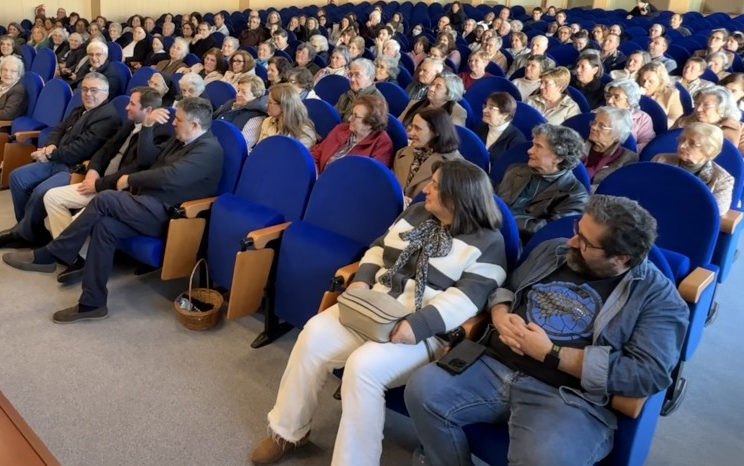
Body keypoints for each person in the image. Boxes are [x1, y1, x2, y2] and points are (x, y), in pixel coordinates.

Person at [251, 160, 507, 466]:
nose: (426, 189)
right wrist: (361, 280)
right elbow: (377, 248)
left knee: (363, 368)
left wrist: (417, 325)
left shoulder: (489, 243)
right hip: (374, 306)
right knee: (313, 335)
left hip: (422, 330)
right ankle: (287, 432)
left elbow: (467, 301)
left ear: (457, 198)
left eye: (435, 185)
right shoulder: (416, 213)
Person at [405, 195, 688, 466]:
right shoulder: (553, 250)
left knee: (544, 460)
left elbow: (649, 373)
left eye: (586, 242)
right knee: (422, 391)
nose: (572, 241)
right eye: (578, 229)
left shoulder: (659, 299)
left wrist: (551, 353)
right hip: (493, 363)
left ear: (622, 259)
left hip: (566, 395)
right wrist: (501, 315)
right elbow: (507, 289)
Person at [2, 97, 223, 322]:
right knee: (105, 227)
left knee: (105, 199)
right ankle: (92, 303)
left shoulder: (209, 150)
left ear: (195, 125)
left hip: (170, 216)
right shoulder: (181, 140)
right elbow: (147, 159)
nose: (174, 123)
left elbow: (171, 177)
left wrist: (129, 179)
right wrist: (147, 127)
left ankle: (51, 253)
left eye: (179, 119)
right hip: (146, 205)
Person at [0, 72, 121, 250]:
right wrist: (50, 145)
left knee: (41, 191)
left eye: (94, 90)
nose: (88, 94)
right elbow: (58, 129)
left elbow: (82, 149)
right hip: (58, 159)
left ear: (106, 93)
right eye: (85, 89)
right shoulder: (80, 109)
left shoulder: (108, 116)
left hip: (75, 168)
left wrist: (50, 154)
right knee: (17, 177)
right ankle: (32, 232)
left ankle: (22, 232)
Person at [40, 87, 175, 248]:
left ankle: (65, 250)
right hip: (98, 182)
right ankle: (74, 254)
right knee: (52, 197)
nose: (126, 107)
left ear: (148, 110)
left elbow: (137, 168)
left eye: (132, 104)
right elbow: (105, 148)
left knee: (76, 223)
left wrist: (98, 185)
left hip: (117, 192)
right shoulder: (131, 123)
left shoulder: (161, 134)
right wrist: (93, 171)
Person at [497, 124, 590, 241]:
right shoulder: (515, 170)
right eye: (533, 145)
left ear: (558, 157)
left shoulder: (576, 195)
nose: (529, 151)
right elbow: (493, 200)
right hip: (488, 229)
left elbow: (549, 230)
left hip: (520, 244)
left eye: (538, 146)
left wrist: (502, 219)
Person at [675, 86, 744, 185]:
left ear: (722, 109)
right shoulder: (683, 123)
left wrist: (710, 163)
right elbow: (664, 147)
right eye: (697, 104)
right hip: (676, 172)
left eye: (706, 105)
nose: (698, 109)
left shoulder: (740, 130)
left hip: (716, 183)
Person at [654, 123, 735, 216]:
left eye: (692, 143)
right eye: (682, 140)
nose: (682, 146)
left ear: (709, 150)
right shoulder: (661, 160)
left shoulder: (722, 179)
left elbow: (715, 212)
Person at [392, 107, 463, 200]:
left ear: (436, 132)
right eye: (412, 127)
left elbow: (449, 203)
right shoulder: (401, 153)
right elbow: (390, 186)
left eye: (417, 129)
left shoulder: (453, 165)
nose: (411, 133)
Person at [311, 95, 394, 173]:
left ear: (371, 123)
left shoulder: (382, 144)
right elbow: (317, 153)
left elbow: (370, 179)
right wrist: (314, 175)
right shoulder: (341, 129)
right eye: (352, 114)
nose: (349, 119)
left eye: (355, 116)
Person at [583, 107, 639, 189]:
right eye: (594, 122)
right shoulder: (577, 145)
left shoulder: (628, 159)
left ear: (616, 134)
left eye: (601, 126)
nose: (593, 127)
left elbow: (616, 187)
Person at [254, 83, 318, 149]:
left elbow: (293, 157)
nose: (266, 105)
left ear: (283, 107)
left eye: (270, 102)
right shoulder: (267, 122)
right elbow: (259, 149)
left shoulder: (304, 133)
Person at [214, 74, 269, 149]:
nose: (238, 94)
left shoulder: (256, 117)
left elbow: (242, 145)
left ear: (256, 95)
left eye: (244, 92)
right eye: (238, 90)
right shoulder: (231, 103)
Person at [476, 91, 527, 166]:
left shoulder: (516, 140)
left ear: (505, 115)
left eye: (491, 108)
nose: (484, 110)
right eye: (485, 106)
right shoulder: (479, 129)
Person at [400, 73, 467, 128]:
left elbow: (451, 140)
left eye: (438, 87)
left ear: (450, 93)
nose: (431, 89)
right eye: (432, 84)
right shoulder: (414, 103)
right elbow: (399, 125)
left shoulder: (457, 113)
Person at [603, 79, 656, 150]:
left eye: (616, 97)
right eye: (608, 96)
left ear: (630, 101)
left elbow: (647, 144)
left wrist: (622, 152)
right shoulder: (598, 113)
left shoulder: (642, 118)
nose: (609, 101)